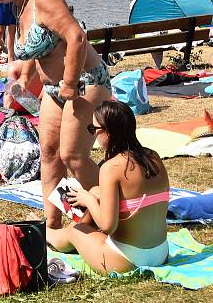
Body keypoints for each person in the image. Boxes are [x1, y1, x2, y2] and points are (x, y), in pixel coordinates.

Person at [0, 0, 111, 231]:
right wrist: (25, 81)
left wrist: (70, 83)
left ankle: (111, 209)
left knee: (72, 157)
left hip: (85, 83)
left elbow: (76, 38)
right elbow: (40, 51)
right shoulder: (18, 7)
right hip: (53, 90)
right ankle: (52, 222)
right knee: (48, 153)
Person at [45, 101, 169, 274]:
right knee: (96, 192)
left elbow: (107, 226)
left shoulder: (111, 167)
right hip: (161, 253)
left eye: (93, 129)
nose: (94, 135)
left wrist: (87, 200)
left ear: (108, 131)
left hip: (126, 259)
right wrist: (93, 195)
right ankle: (53, 233)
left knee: (76, 230)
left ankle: (47, 234)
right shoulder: (153, 157)